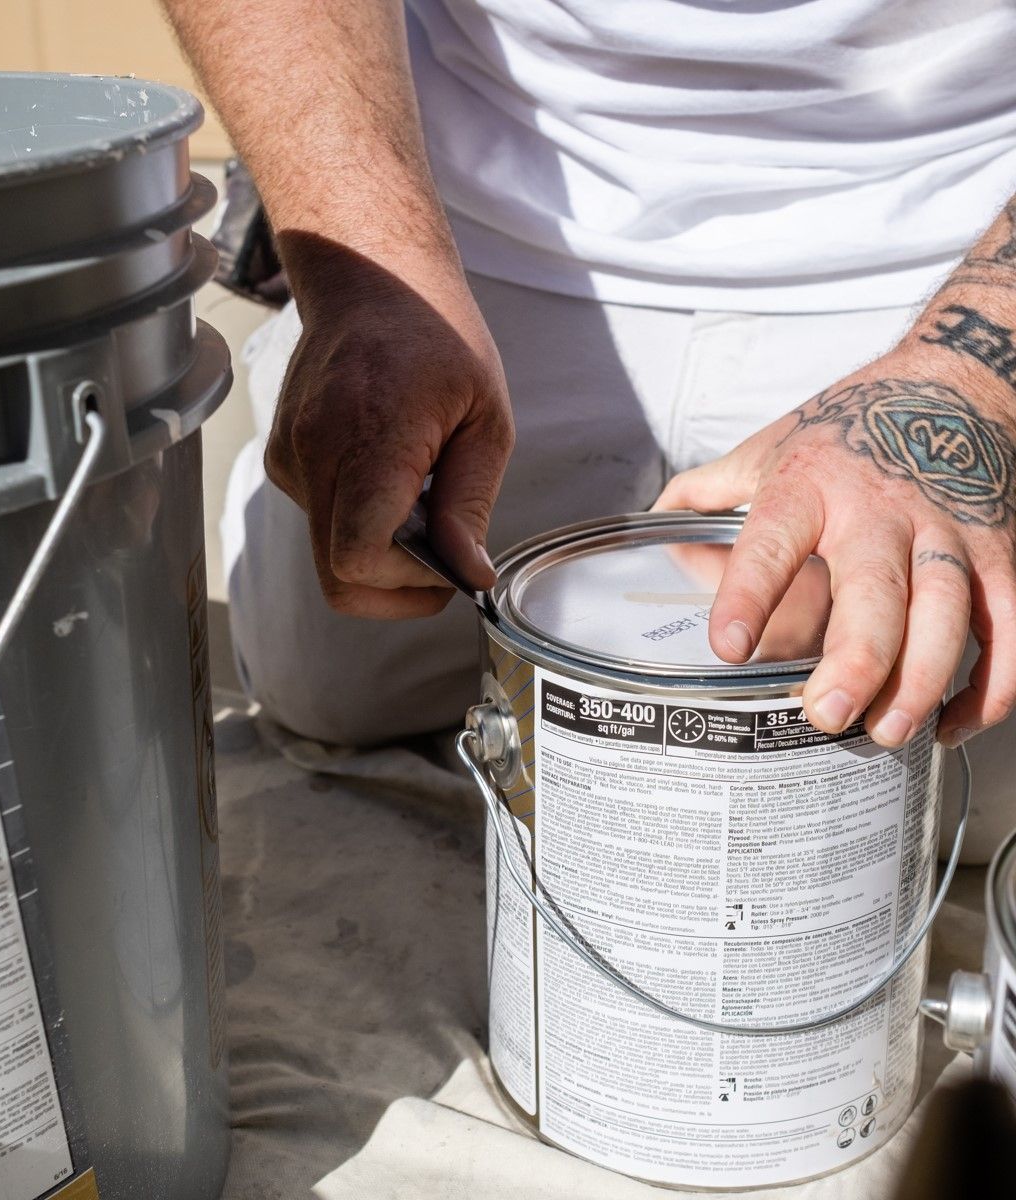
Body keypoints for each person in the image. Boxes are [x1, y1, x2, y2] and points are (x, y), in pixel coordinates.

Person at [165, 1, 1016, 854]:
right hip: (472, 212)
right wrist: (372, 273)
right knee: (334, 678)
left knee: (955, 781)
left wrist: (972, 375)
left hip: (949, 251)